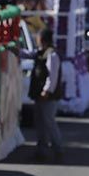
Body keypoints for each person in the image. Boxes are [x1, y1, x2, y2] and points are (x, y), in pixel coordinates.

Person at [28, 29, 64, 162]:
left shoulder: (52, 55)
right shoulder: (40, 53)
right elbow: (29, 54)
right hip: (39, 94)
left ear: (42, 39)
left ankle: (58, 149)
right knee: (40, 122)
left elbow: (52, 75)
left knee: (49, 122)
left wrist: (47, 90)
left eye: (38, 37)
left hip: (48, 96)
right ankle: (41, 150)